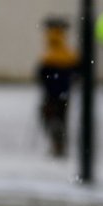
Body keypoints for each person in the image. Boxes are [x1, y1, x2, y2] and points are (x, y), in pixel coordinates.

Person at [36, 18, 79, 158]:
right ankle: (60, 144)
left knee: (51, 117)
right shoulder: (66, 51)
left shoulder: (51, 49)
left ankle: (56, 144)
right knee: (61, 117)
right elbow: (76, 68)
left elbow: (42, 71)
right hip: (64, 89)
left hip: (51, 90)